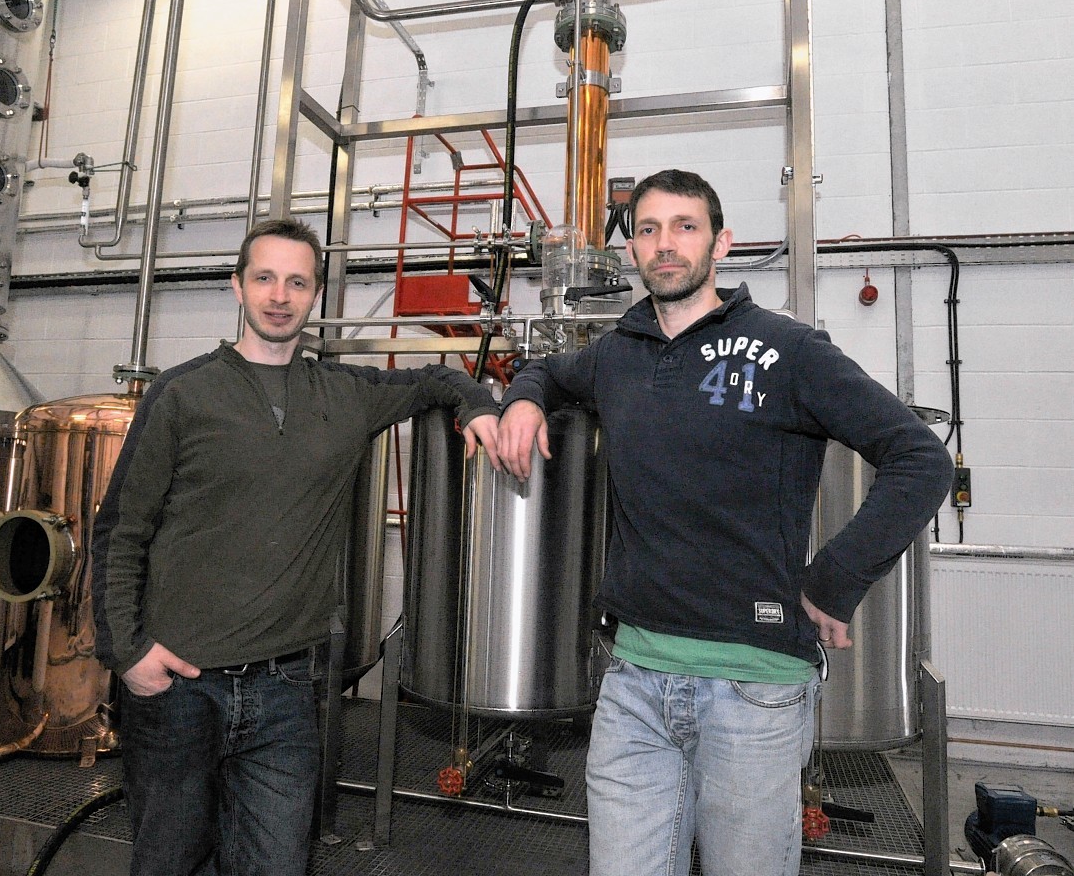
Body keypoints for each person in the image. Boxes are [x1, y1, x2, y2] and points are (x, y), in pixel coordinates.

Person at [495, 169, 952, 876]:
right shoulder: (619, 352)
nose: (664, 244)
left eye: (684, 226)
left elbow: (920, 459)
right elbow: (552, 371)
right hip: (633, 682)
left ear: (720, 242)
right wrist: (524, 398)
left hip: (752, 690)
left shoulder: (787, 349)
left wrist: (834, 578)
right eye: (647, 230)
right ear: (632, 251)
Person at [91, 217, 500, 876]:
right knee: (168, 861)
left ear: (313, 298)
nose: (278, 296)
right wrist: (127, 652)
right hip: (177, 687)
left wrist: (479, 406)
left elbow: (438, 380)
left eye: (296, 282)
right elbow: (121, 527)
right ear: (237, 287)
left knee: (278, 865)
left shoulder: (345, 394)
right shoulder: (182, 392)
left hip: (285, 692)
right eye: (264, 279)